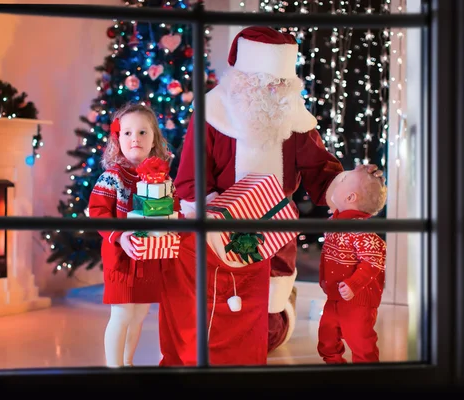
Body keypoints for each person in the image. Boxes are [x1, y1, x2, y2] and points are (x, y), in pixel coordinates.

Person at [157, 26, 361, 366]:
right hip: (219, 230)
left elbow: (321, 171)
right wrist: (213, 219)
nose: (276, 90)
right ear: (244, 78)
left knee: (265, 328)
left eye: (282, 83)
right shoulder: (212, 113)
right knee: (219, 316)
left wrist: (348, 189)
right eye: (268, 81)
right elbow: (191, 179)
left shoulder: (295, 118)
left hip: (276, 231)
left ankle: (282, 307)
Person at [88, 103, 176, 368]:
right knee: (123, 313)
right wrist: (121, 236)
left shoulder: (161, 180)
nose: (134, 138)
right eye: (127, 133)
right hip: (122, 259)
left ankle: (127, 364)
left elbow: (169, 211)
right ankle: (114, 369)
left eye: (142, 132)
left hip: (149, 259)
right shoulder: (112, 177)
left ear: (154, 140)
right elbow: (98, 212)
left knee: (139, 314)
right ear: (117, 140)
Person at [317, 166, 388, 364]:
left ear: (350, 198)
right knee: (327, 337)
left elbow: (374, 260)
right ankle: (334, 365)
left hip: (357, 300)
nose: (336, 182)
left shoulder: (362, 230)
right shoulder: (335, 223)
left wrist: (354, 284)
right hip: (334, 295)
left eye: (342, 180)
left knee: (360, 340)